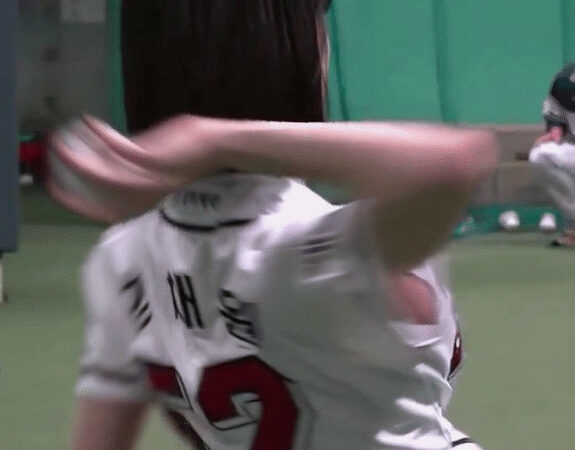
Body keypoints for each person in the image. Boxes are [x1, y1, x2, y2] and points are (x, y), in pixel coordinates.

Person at [52, 1, 496, 449]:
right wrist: (218, 139)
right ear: (293, 54)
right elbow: (453, 162)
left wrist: (201, 142)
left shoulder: (123, 258)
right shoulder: (306, 248)